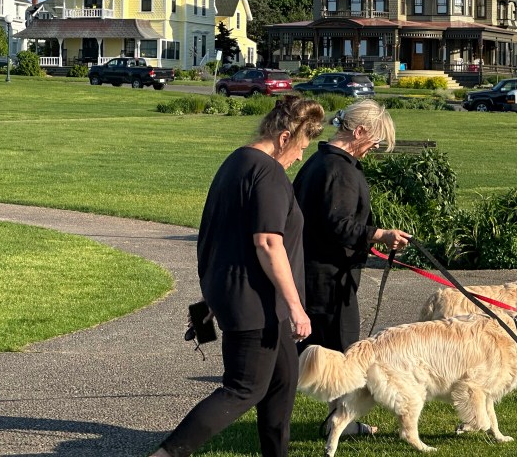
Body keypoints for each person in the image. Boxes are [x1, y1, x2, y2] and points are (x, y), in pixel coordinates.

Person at [152, 95, 325, 457]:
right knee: (243, 388)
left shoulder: (235, 162)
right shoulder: (268, 172)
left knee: (281, 385)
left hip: (254, 301)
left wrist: (212, 296)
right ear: (283, 138)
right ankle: (167, 453)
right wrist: (297, 307)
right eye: (300, 147)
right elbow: (267, 243)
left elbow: (219, 237)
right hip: (255, 305)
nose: (299, 158)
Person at [294, 99, 411, 436]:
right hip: (328, 278)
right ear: (358, 131)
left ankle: (338, 418)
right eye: (374, 140)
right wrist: (380, 234)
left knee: (326, 348)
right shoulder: (339, 170)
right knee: (343, 352)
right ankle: (341, 422)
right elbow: (338, 225)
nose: (374, 148)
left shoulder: (321, 162)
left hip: (317, 273)